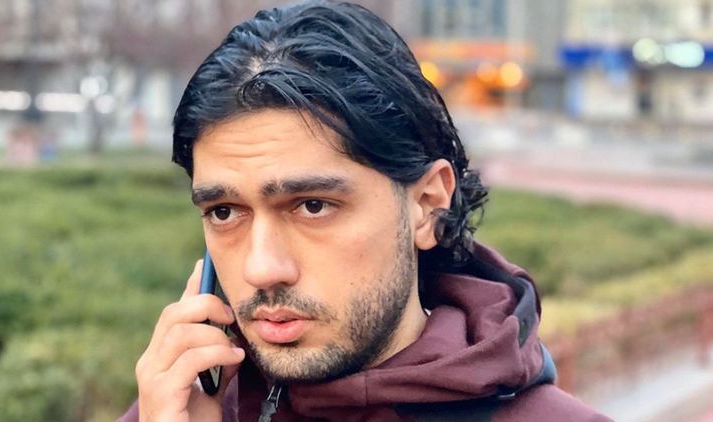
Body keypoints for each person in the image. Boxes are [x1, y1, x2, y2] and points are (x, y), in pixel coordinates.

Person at [121, 1, 610, 421]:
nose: (262, 269)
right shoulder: (176, 407)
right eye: (225, 212)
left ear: (427, 205)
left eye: (313, 206)